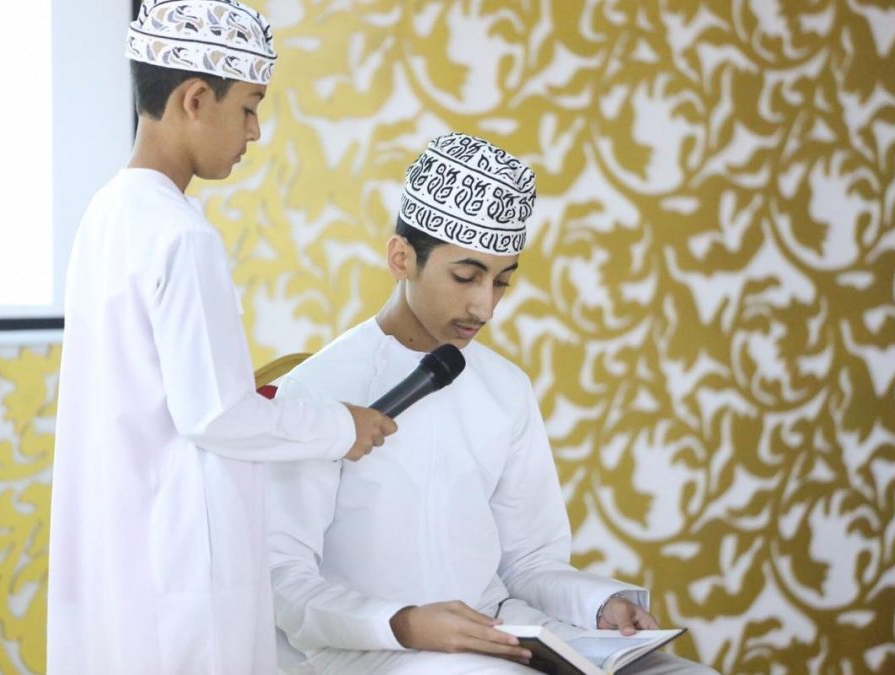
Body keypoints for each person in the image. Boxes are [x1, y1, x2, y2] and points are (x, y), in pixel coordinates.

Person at [264, 133, 717, 674]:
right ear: (401, 258)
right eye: (466, 276)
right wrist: (404, 623)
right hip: (372, 649)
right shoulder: (315, 392)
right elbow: (282, 579)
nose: (485, 307)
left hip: (498, 628)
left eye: (501, 282)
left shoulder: (506, 387)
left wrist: (599, 605)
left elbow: (528, 560)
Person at [46, 1, 395, 673]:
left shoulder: (107, 211)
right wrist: (341, 425)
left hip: (122, 556)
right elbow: (215, 414)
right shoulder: (182, 234)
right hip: (179, 566)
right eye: (249, 108)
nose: (255, 131)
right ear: (195, 100)